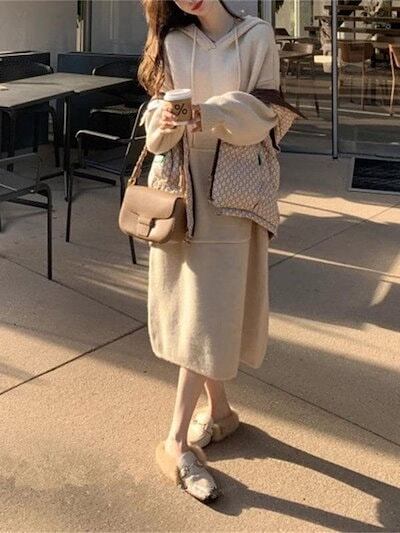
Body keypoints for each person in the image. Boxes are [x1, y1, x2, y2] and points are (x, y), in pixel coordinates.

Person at [138, 0, 280, 503]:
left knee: (208, 312)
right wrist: (164, 121)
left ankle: (174, 442)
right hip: (181, 194)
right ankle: (219, 414)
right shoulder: (173, 42)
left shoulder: (257, 37)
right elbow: (154, 133)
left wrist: (208, 114)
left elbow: (269, 116)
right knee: (200, 312)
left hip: (235, 195)